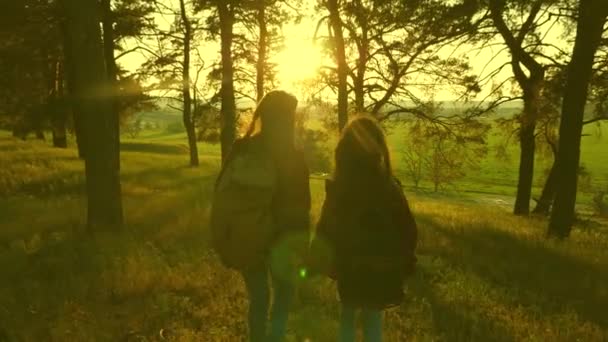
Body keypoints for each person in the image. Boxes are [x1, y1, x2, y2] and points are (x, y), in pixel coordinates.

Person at [212, 90, 311, 342]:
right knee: (282, 298)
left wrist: (223, 237)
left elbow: (222, 195)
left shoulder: (242, 148)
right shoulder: (295, 157)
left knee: (258, 299)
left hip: (249, 235)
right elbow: (302, 206)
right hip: (283, 241)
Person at [312, 115, 417, 342]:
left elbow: (327, 226)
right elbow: (407, 228)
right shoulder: (389, 187)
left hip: (350, 265)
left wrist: (316, 256)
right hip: (382, 266)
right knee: (373, 319)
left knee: (348, 316)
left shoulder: (341, 187)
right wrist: (405, 259)